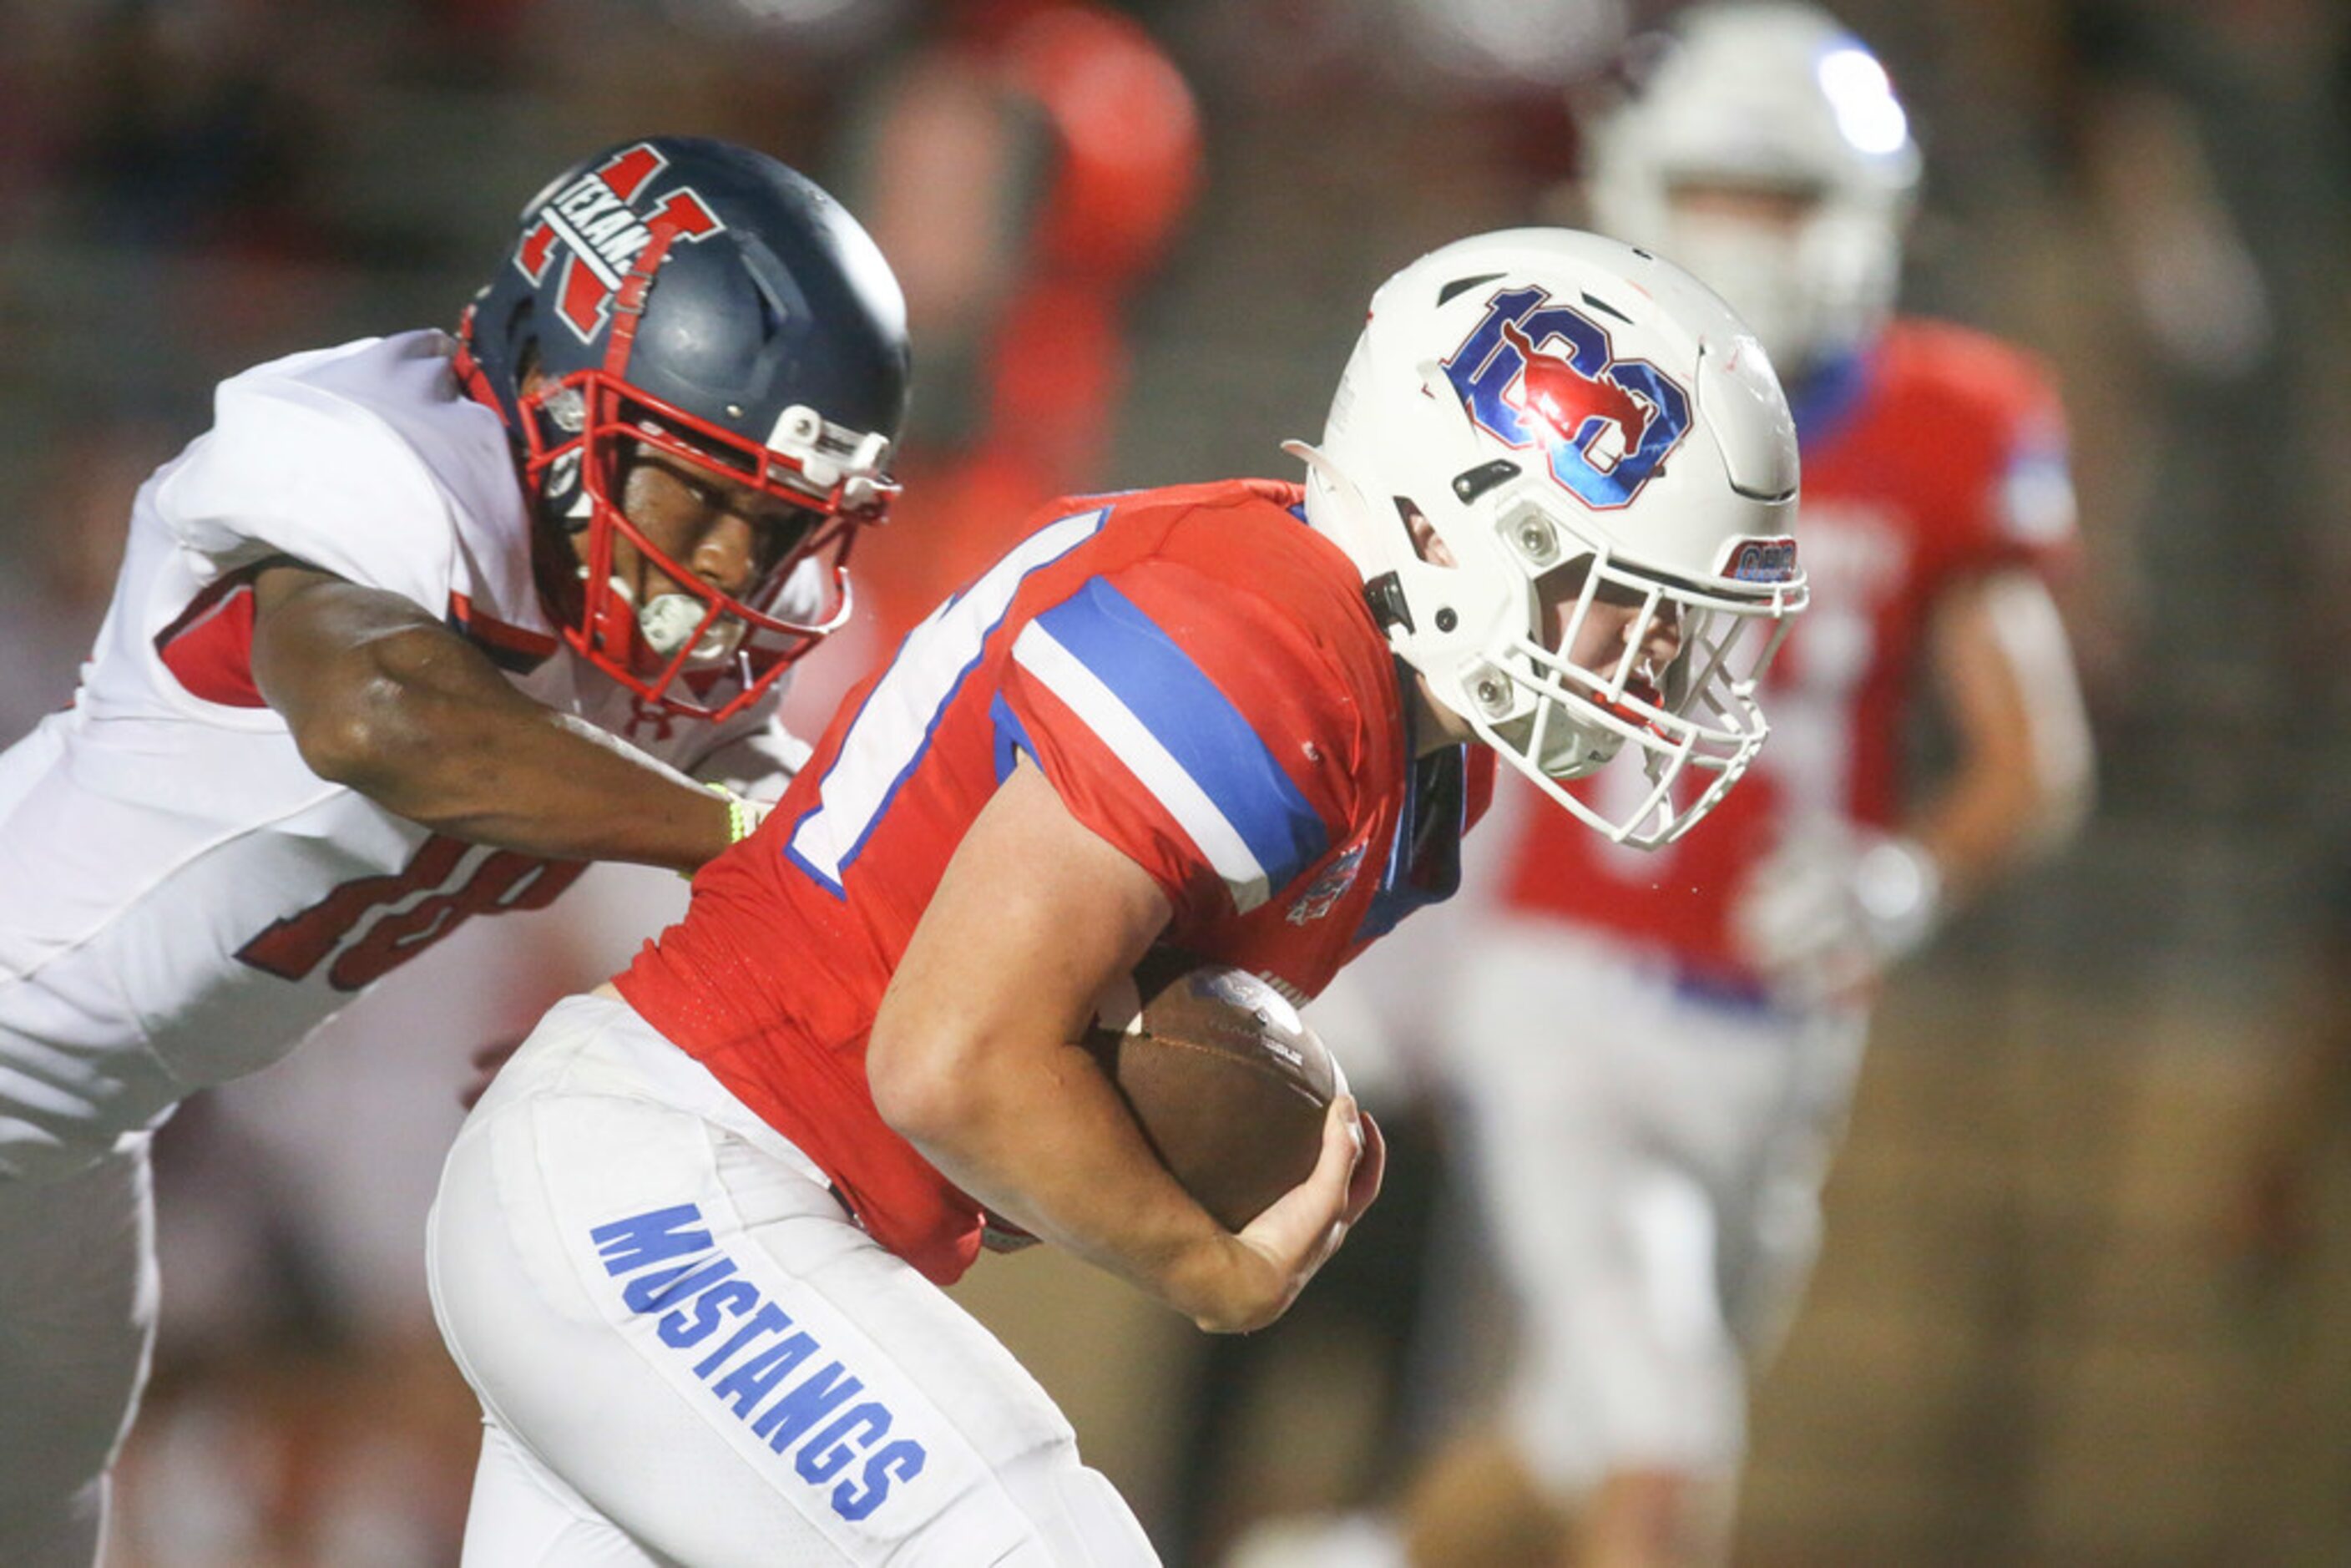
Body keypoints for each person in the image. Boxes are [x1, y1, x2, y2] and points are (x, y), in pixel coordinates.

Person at [423, 225, 1808, 1565]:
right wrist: (1209, 1266)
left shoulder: (1418, 764)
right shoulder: (1266, 641)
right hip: (679, 1177)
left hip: (694, 1193)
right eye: (1626, 593)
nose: (1664, 660)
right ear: (1454, 532)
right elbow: (950, 1059)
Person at [0, 134, 911, 1566]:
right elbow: (380, 713)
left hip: (84, 1121)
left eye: (785, 516)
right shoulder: (379, 449)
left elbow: (841, 875)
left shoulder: (678, 643)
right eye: (705, 492)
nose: (736, 565)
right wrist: (744, 838)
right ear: (555, 406)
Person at [1400, 8, 2098, 1566]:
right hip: (1566, 980)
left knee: (1575, 1430)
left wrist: (1901, 876)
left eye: (1792, 200)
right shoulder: (1550, 401)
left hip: (1786, 1025)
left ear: (1876, 216)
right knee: (1664, 1446)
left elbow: (2033, 760)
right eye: (1726, 188)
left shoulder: (1952, 420)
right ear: (1639, 187)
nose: (1757, 234)